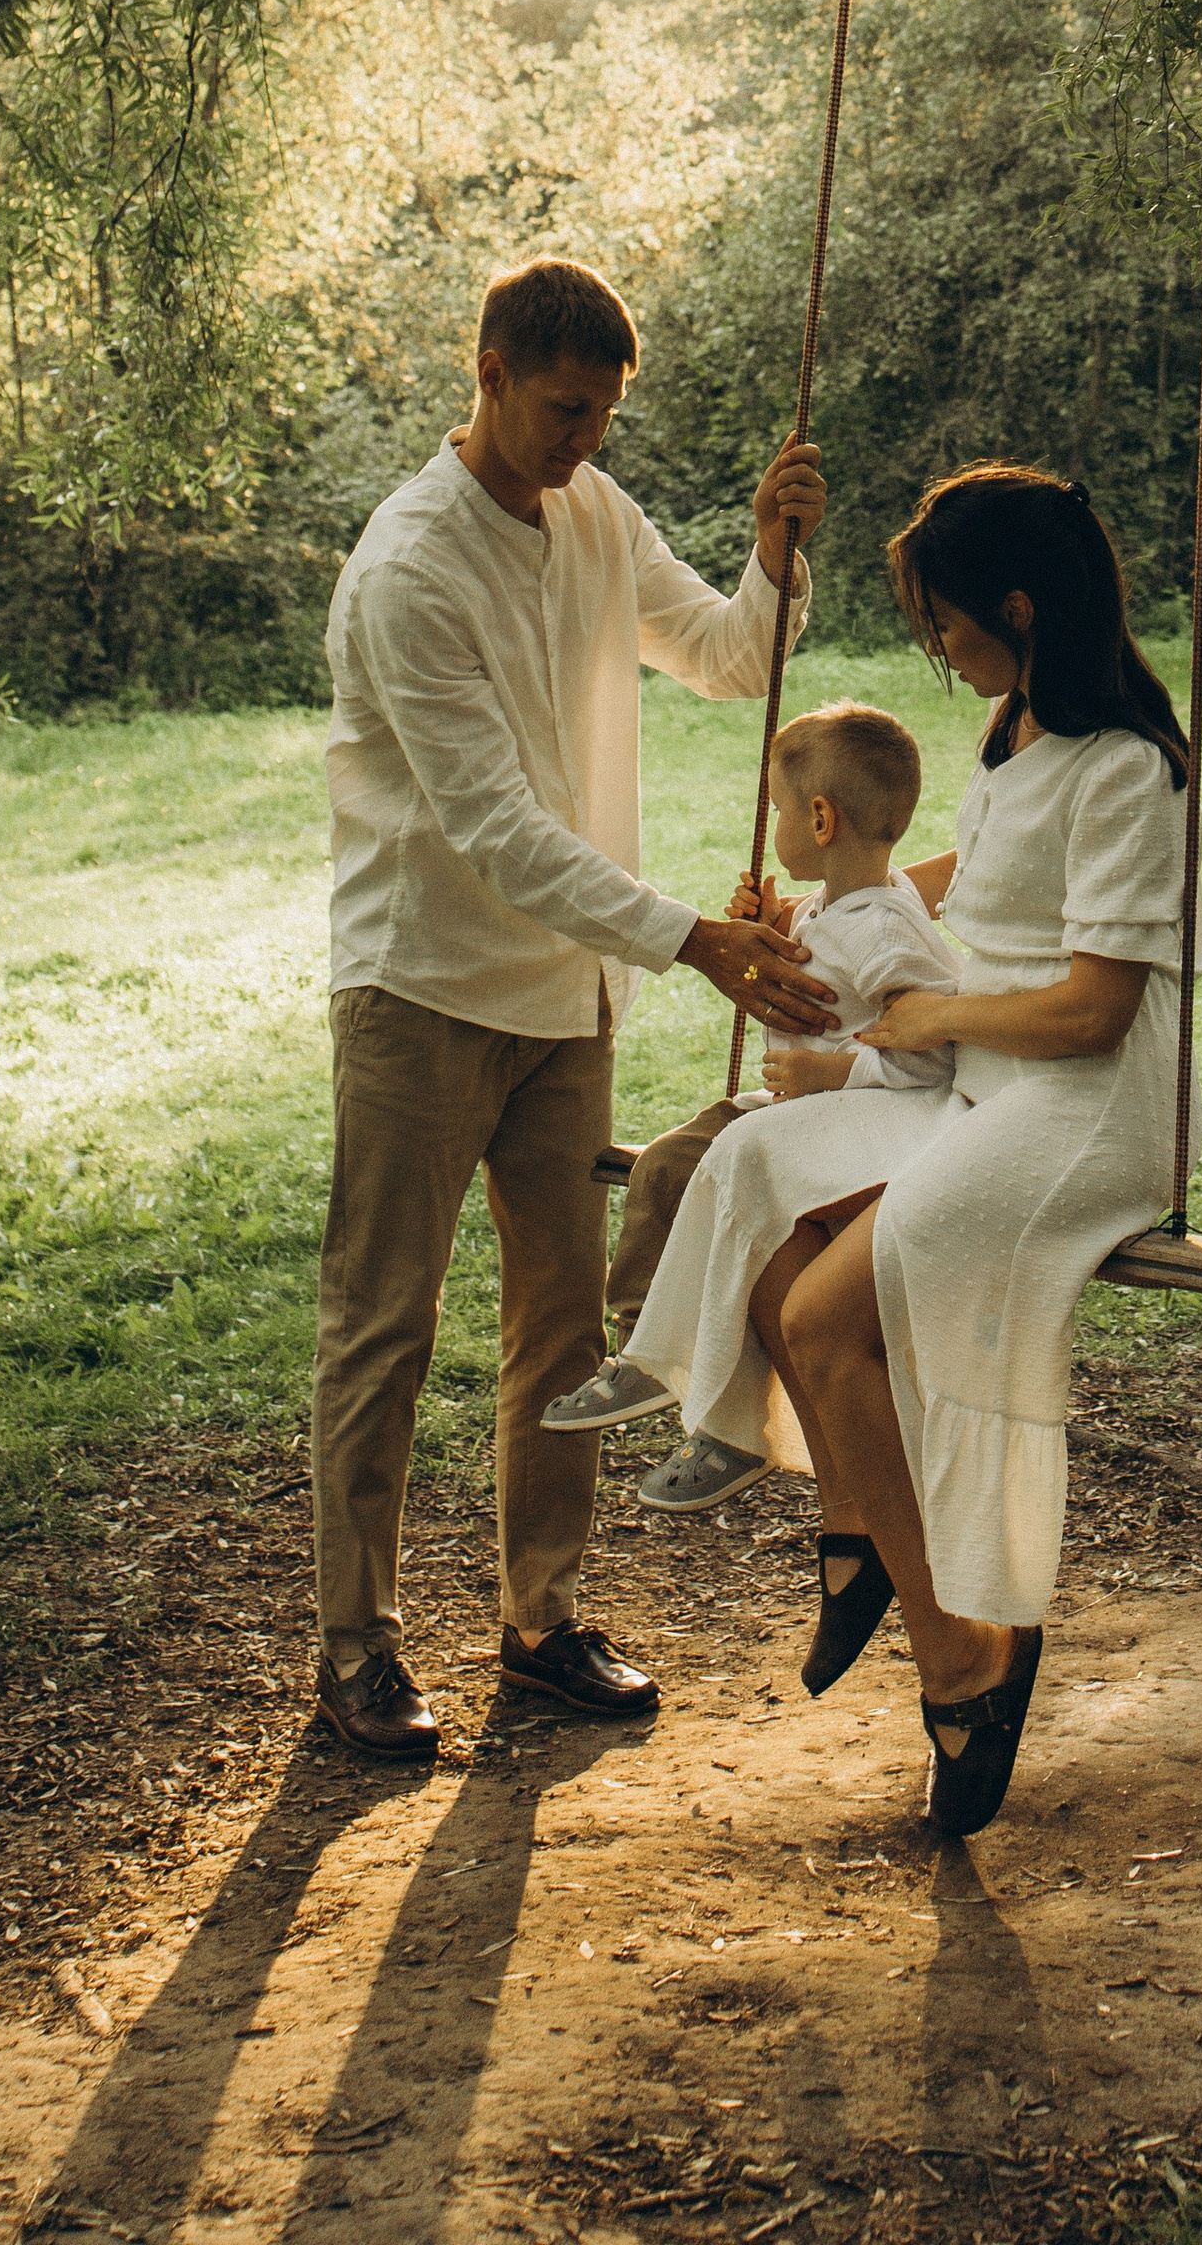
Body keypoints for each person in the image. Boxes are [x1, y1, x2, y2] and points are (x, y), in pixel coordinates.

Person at [310, 254, 839, 1761]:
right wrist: (693, 942)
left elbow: (738, 661)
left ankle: (541, 1623)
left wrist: (772, 552)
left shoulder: (595, 513)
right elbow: (493, 830)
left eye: (603, 417)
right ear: (487, 373)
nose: (582, 442)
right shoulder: (410, 566)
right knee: (384, 1326)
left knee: (561, 1329)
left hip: (566, 995)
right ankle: (355, 1648)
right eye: (561, 409)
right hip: (418, 985)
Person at [626, 466, 1197, 1832]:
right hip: (980, 1087)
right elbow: (981, 869)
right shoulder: (1015, 731)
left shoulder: (1129, 768)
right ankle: (875, 1544)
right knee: (778, 1273)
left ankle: (963, 1656)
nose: (937, 651)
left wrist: (929, 1009)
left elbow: (1096, 1005)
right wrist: (851, 889)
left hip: (1084, 1107)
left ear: (1014, 604)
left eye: (946, 624)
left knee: (827, 1327)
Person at [545, 698, 958, 1515]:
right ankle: (646, 1350)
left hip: (852, 1127)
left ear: (819, 816)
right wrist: (765, 930)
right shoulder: (827, 908)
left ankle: (697, 1400)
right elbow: (809, 985)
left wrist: (839, 1076)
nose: (772, 826)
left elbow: (935, 1049)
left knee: (711, 1194)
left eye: (777, 810)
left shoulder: (891, 930)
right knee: (666, 1165)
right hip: (783, 1116)